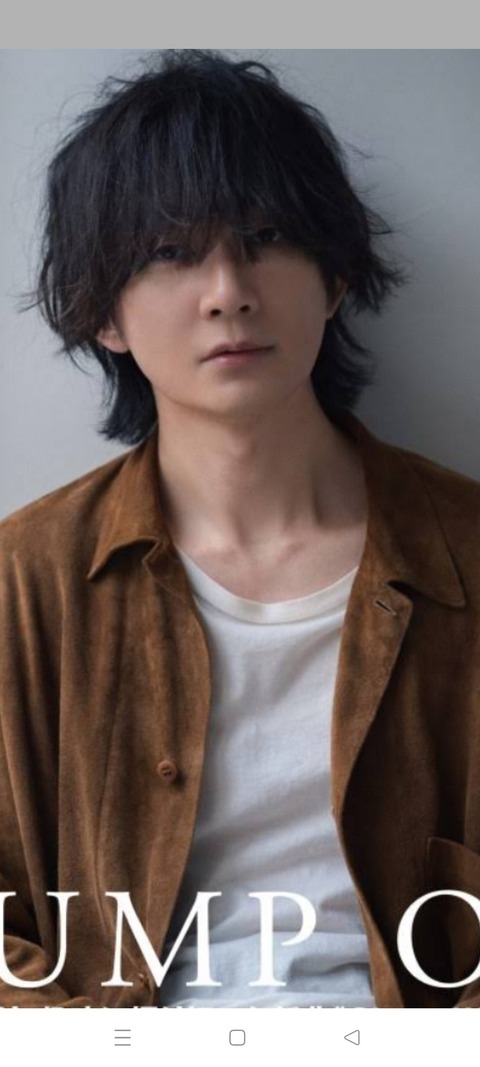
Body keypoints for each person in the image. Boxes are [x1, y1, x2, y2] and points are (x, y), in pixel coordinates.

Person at [1, 49, 480, 1009]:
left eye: (265, 237)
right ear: (104, 313)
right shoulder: (28, 578)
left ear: (334, 277)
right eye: (168, 252)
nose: (227, 289)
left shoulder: (463, 550)